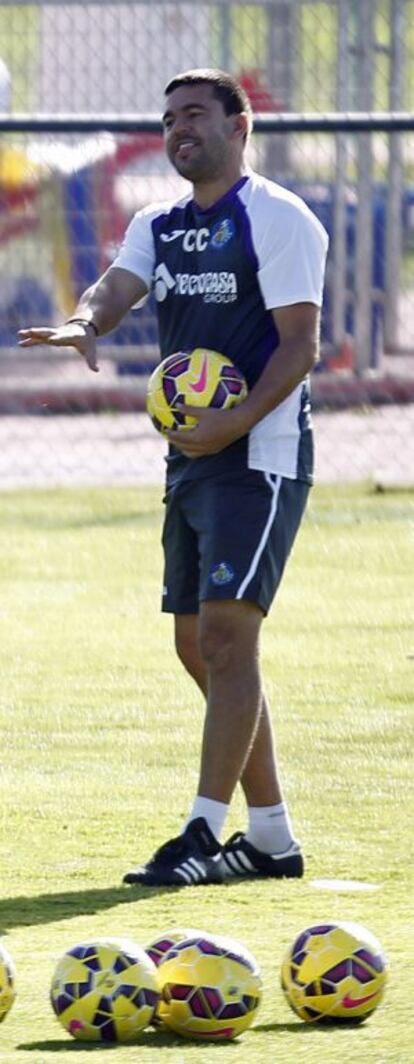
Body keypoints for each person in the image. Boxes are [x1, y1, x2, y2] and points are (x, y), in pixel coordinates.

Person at [18, 68, 328, 887]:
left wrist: (235, 421)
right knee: (198, 646)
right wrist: (86, 322)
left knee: (228, 638)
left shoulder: (279, 217)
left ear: (240, 126)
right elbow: (116, 286)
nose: (178, 129)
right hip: (191, 456)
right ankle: (270, 837)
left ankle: (200, 831)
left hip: (257, 459)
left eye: (195, 114)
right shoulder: (160, 222)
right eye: (169, 119)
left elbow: (300, 345)